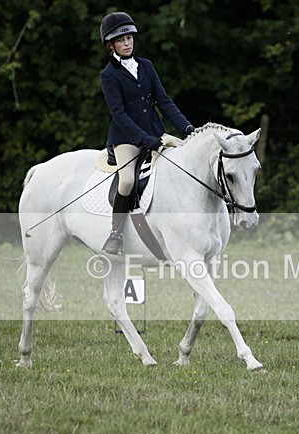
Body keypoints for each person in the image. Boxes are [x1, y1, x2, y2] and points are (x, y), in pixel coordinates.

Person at [99, 11, 195, 255]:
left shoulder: (147, 66)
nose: (127, 42)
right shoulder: (109, 75)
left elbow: (164, 101)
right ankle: (115, 234)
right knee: (129, 180)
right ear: (111, 45)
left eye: (130, 37)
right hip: (126, 139)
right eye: (121, 40)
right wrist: (145, 140)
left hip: (155, 133)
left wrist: (187, 128)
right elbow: (119, 115)